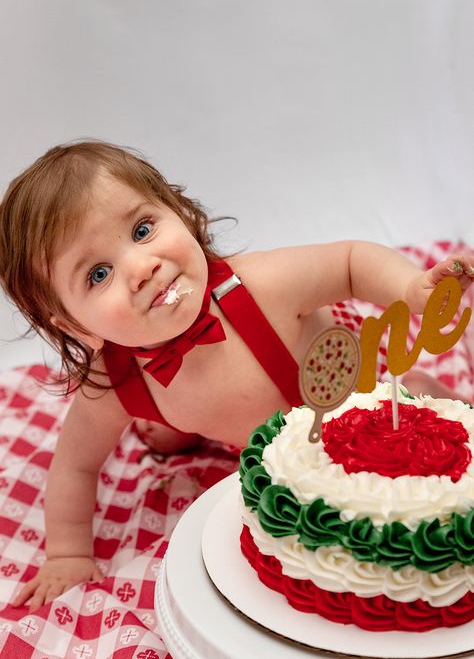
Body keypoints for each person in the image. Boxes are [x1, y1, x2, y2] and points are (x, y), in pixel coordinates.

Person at [1, 140, 473, 611]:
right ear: (75, 327)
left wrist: (411, 289)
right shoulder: (115, 384)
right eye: (98, 274)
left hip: (342, 393)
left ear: (180, 215)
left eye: (143, 230)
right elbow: (75, 465)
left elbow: (349, 264)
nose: (141, 269)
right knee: (168, 429)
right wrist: (67, 553)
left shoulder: (257, 287)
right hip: (271, 445)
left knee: (419, 398)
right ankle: (175, 428)